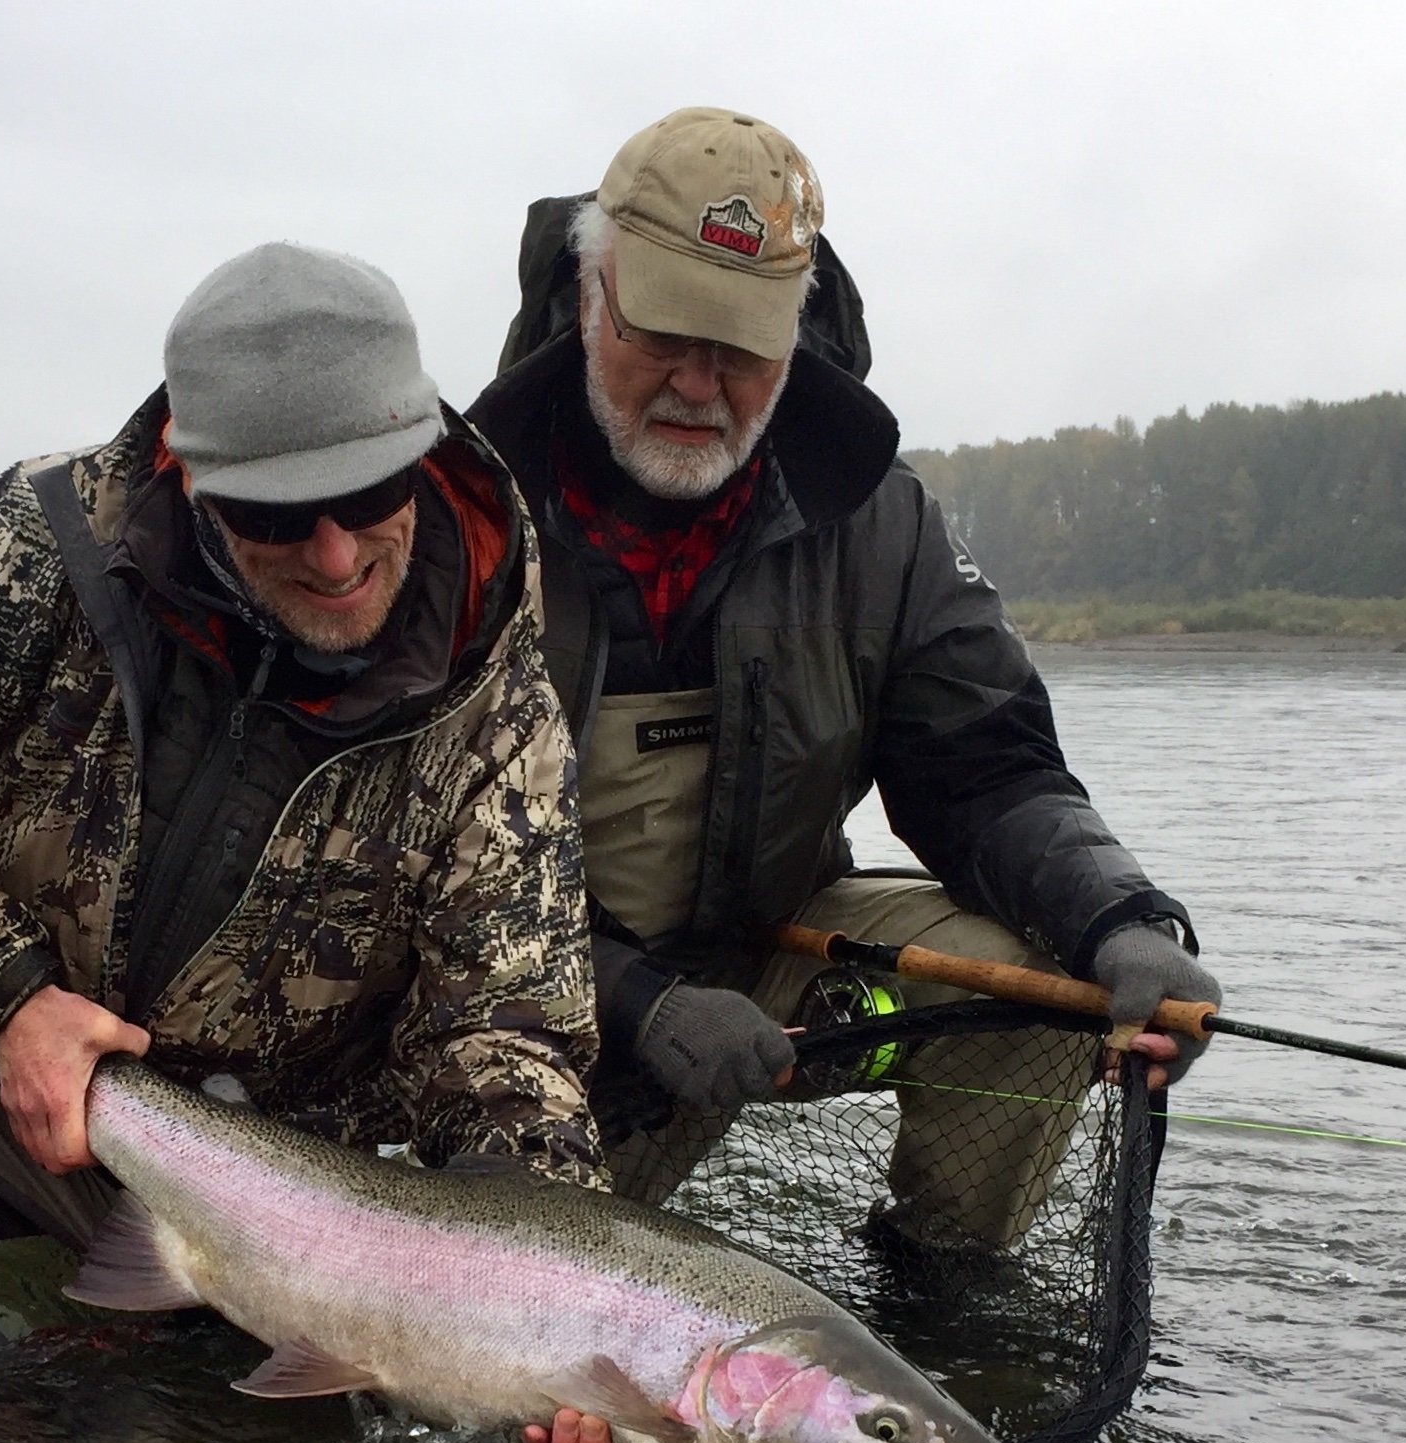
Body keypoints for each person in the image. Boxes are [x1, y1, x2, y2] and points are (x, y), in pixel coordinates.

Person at [0, 242, 601, 1382]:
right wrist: (10, 994)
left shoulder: (499, 699)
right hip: (20, 1094)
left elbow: (507, 1032)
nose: (336, 554)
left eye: (367, 496)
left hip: (296, 1194)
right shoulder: (44, 547)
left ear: (422, 453)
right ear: (193, 478)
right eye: (278, 514)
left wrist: (556, 1329)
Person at [469, 107, 1221, 1247]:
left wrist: (1119, 916)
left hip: (768, 958)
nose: (697, 380)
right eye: (665, 329)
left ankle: (940, 1299)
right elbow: (409, 873)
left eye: (740, 345)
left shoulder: (881, 518)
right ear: (590, 294)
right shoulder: (455, 516)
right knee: (518, 1349)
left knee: (1035, 979)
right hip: (528, 998)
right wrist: (638, 1002)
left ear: (795, 329)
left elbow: (985, 767)